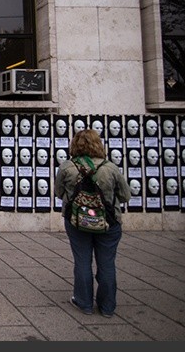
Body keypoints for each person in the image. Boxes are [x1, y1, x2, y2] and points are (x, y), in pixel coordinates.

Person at [54, 129, 130, 319]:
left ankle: (84, 302)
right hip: (108, 222)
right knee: (107, 263)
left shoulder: (67, 167)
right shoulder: (110, 168)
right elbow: (125, 195)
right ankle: (107, 307)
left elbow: (58, 192)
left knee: (82, 261)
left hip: (77, 222)